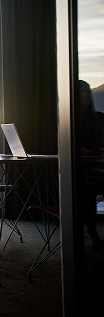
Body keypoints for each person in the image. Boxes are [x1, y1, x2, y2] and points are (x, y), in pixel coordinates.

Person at [76, 80, 104, 249]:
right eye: (81, 92)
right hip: (84, 172)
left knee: (84, 180)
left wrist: (97, 151)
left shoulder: (99, 119)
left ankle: (90, 231)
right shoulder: (66, 123)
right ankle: (91, 231)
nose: (86, 95)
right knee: (87, 183)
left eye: (88, 92)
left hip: (98, 168)